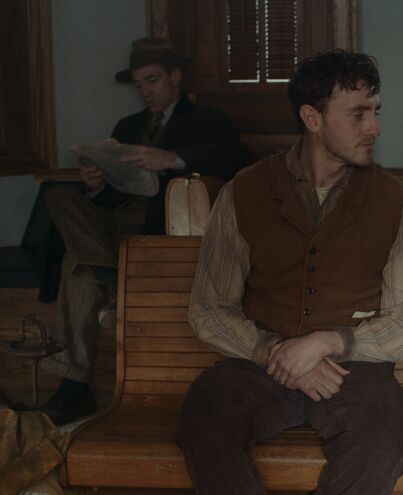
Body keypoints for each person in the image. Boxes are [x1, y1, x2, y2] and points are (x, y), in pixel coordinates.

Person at [176, 49, 403, 495]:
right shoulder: (243, 192)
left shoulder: (399, 204)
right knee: (204, 417)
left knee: (382, 447)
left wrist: (331, 342)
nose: (374, 127)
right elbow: (210, 309)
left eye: (375, 111)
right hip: (257, 365)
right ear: (312, 118)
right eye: (358, 114)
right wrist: (275, 351)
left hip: (357, 371)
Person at [39, 37, 250, 425]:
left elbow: (236, 159)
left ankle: (73, 391)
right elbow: (107, 199)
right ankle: (112, 273)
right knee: (58, 197)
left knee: (77, 270)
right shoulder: (128, 126)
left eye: (152, 81)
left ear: (175, 76)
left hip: (157, 228)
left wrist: (171, 159)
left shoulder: (206, 120)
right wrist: (97, 184)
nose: (145, 92)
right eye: (139, 85)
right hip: (110, 227)